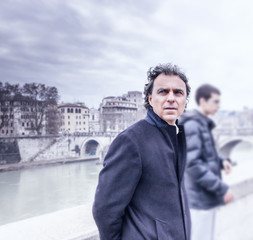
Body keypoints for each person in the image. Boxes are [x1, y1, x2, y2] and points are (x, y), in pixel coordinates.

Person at [92, 63, 191, 240]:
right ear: (151, 99)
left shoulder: (178, 137)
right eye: (163, 91)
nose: (171, 98)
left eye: (178, 92)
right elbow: (105, 210)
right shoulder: (131, 141)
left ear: (185, 101)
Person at [179, 84, 234, 240]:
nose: (219, 106)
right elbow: (193, 164)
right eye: (215, 102)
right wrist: (221, 188)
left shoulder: (202, 124)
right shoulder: (193, 126)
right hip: (198, 199)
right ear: (203, 101)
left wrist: (221, 162)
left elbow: (206, 156)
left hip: (204, 197)